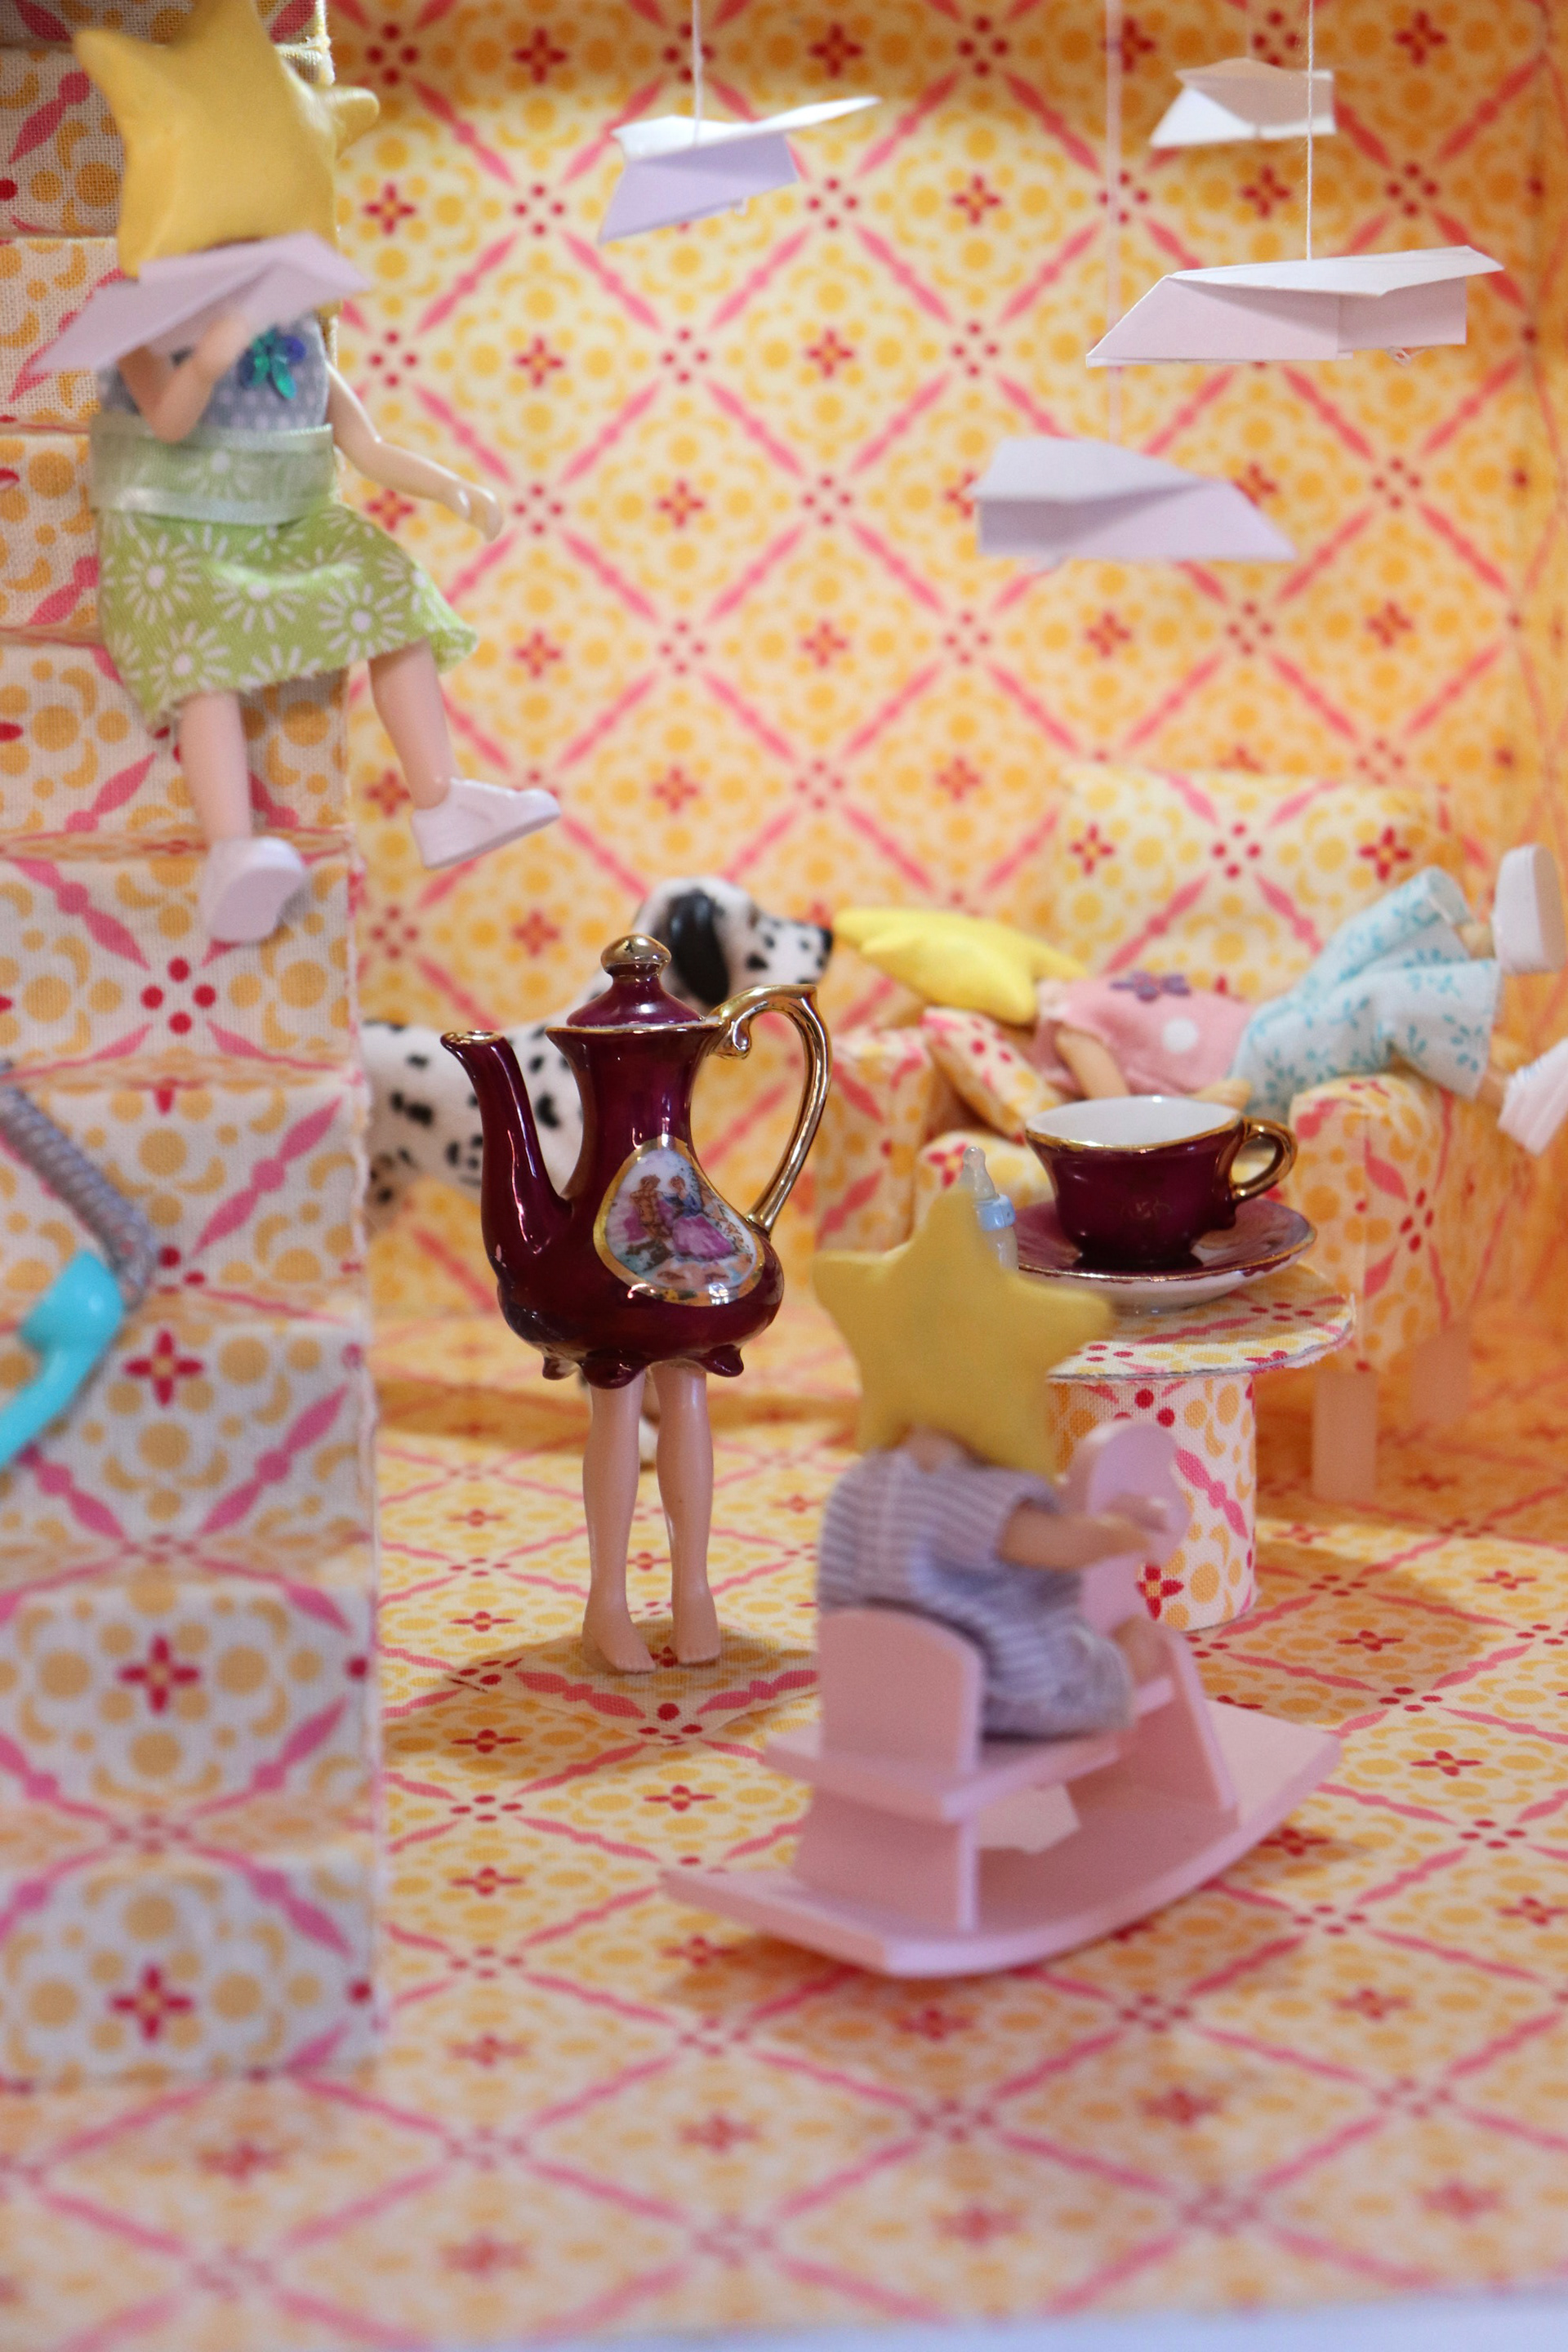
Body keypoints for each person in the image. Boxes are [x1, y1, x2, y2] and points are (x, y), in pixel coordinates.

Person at [93, 305, 559, 945]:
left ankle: (442, 797)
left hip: (289, 521)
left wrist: (449, 486)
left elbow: (366, 446)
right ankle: (231, 847)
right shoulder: (146, 324)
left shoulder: (292, 327)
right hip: (175, 529)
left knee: (387, 583)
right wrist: (204, 364)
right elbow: (167, 424)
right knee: (200, 644)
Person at [1029, 849, 1568, 1155]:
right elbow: (1126, 1125)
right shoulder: (1070, 1025)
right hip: (1247, 1072)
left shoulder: (1082, 989)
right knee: (1373, 1004)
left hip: (1260, 1024)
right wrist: (1203, 1109)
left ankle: (1495, 943)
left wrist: (1289, 992)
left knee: (1365, 938)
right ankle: (1515, 1100)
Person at [817, 1422, 1174, 1738]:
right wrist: (1110, 1536)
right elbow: (1053, 1542)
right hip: (991, 1695)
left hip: (875, 1686)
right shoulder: (962, 1490)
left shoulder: (859, 1483)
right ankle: (1124, 1664)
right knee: (1085, 1673)